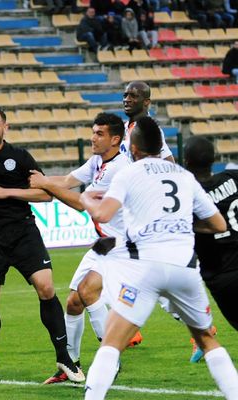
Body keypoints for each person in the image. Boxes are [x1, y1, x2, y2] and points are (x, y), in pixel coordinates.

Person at [80, 116, 238, 400]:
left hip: (145, 267)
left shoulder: (129, 173)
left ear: (135, 149)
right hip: (184, 267)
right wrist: (180, 226)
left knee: (113, 341)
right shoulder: (183, 176)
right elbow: (218, 225)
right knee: (206, 339)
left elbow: (102, 213)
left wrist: (85, 199)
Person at [0, 100, 85, 388]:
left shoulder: (20, 157)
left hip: (23, 232)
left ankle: (64, 358)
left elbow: (45, 193)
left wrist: (9, 192)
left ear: (5, 127)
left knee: (47, 288)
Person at [28, 113, 137, 384]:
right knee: (74, 302)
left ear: (115, 139)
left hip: (122, 245)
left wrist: (43, 184)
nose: (93, 137)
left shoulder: (118, 168)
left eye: (99, 133)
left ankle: (111, 359)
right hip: (103, 244)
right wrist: (36, 179)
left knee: (88, 292)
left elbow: (81, 202)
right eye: (93, 131)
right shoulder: (99, 161)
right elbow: (66, 181)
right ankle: (69, 365)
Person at [185, 136, 238, 332]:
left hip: (221, 276)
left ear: (186, 161)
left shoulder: (188, 198)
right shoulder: (233, 178)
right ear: (214, 158)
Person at [121, 81, 174, 162]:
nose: (127, 100)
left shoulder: (149, 129)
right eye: (125, 95)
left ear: (146, 102)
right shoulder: (125, 126)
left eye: (133, 96)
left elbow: (167, 159)